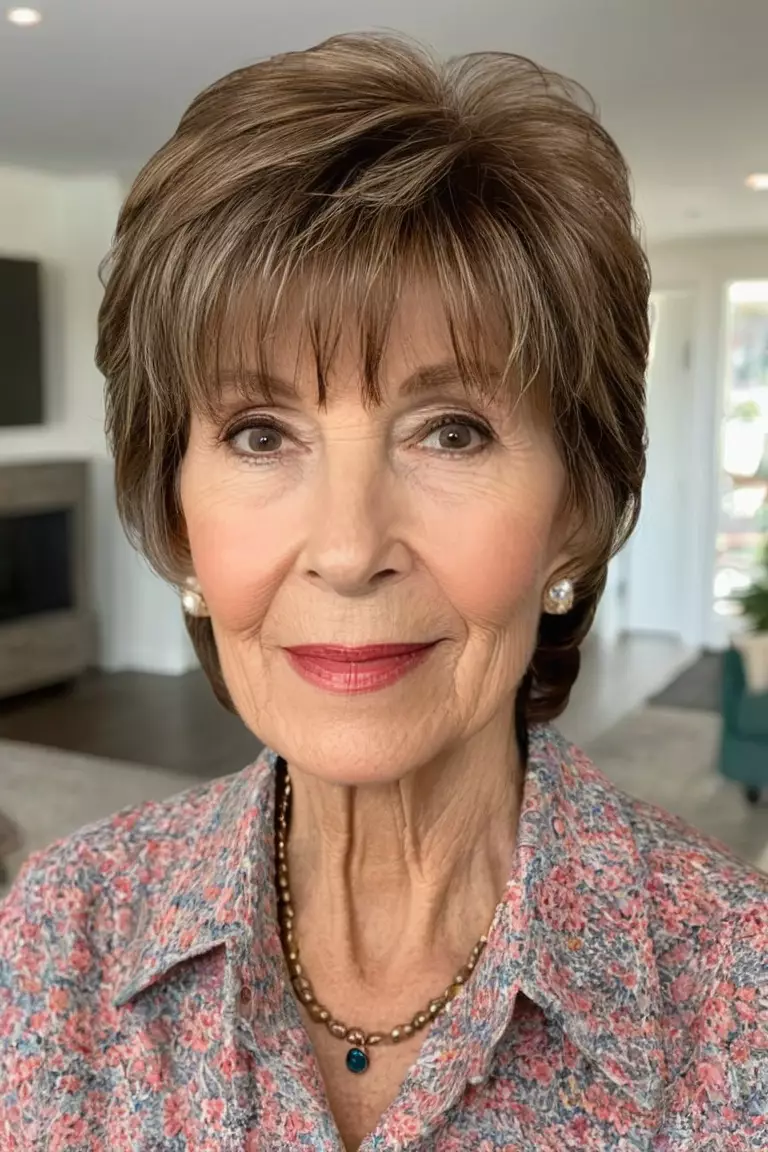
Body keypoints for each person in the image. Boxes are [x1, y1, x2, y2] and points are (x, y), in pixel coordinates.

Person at [0, 32, 765, 1152]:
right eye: (260, 433)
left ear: (578, 512)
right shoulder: (57, 936)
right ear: (176, 518)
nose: (350, 549)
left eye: (450, 430)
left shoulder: (739, 994)